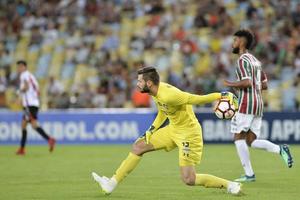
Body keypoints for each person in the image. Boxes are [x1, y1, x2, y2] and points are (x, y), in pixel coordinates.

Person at [92, 66, 242, 195]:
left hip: (188, 134)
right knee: (138, 146)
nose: (137, 84)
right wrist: (151, 130)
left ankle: (230, 185)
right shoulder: (156, 92)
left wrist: (221, 95)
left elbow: (195, 99)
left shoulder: (170, 95)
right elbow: (163, 111)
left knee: (189, 179)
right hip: (173, 129)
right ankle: (111, 184)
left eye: (140, 81)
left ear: (149, 83)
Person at [223, 29, 293, 182]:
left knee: (238, 137)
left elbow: (247, 82)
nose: (233, 44)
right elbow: (264, 85)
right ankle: (280, 149)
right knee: (251, 141)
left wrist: (231, 84)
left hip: (247, 103)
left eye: (235, 40)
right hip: (258, 104)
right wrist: (250, 88)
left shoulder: (242, 60)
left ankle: (249, 175)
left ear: (242, 41)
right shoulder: (256, 61)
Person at [15, 60, 56, 155]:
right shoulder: (31, 76)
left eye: (20, 66)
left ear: (24, 67)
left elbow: (26, 86)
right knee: (27, 125)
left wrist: (19, 92)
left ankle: (49, 139)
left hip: (29, 105)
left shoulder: (24, 75)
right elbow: (37, 90)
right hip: (33, 104)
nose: (19, 68)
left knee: (30, 125)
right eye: (18, 67)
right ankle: (22, 148)